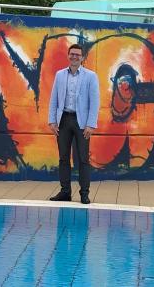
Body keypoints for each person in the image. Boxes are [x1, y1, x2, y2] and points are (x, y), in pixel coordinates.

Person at [47, 43, 100, 204]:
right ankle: (65, 192)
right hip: (63, 120)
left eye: (78, 54)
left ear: (83, 58)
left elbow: (94, 101)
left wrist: (91, 124)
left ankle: (84, 193)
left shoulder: (91, 76)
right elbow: (54, 99)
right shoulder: (60, 75)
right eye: (72, 54)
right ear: (68, 56)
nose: (74, 57)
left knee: (83, 159)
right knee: (63, 158)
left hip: (82, 122)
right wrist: (52, 121)